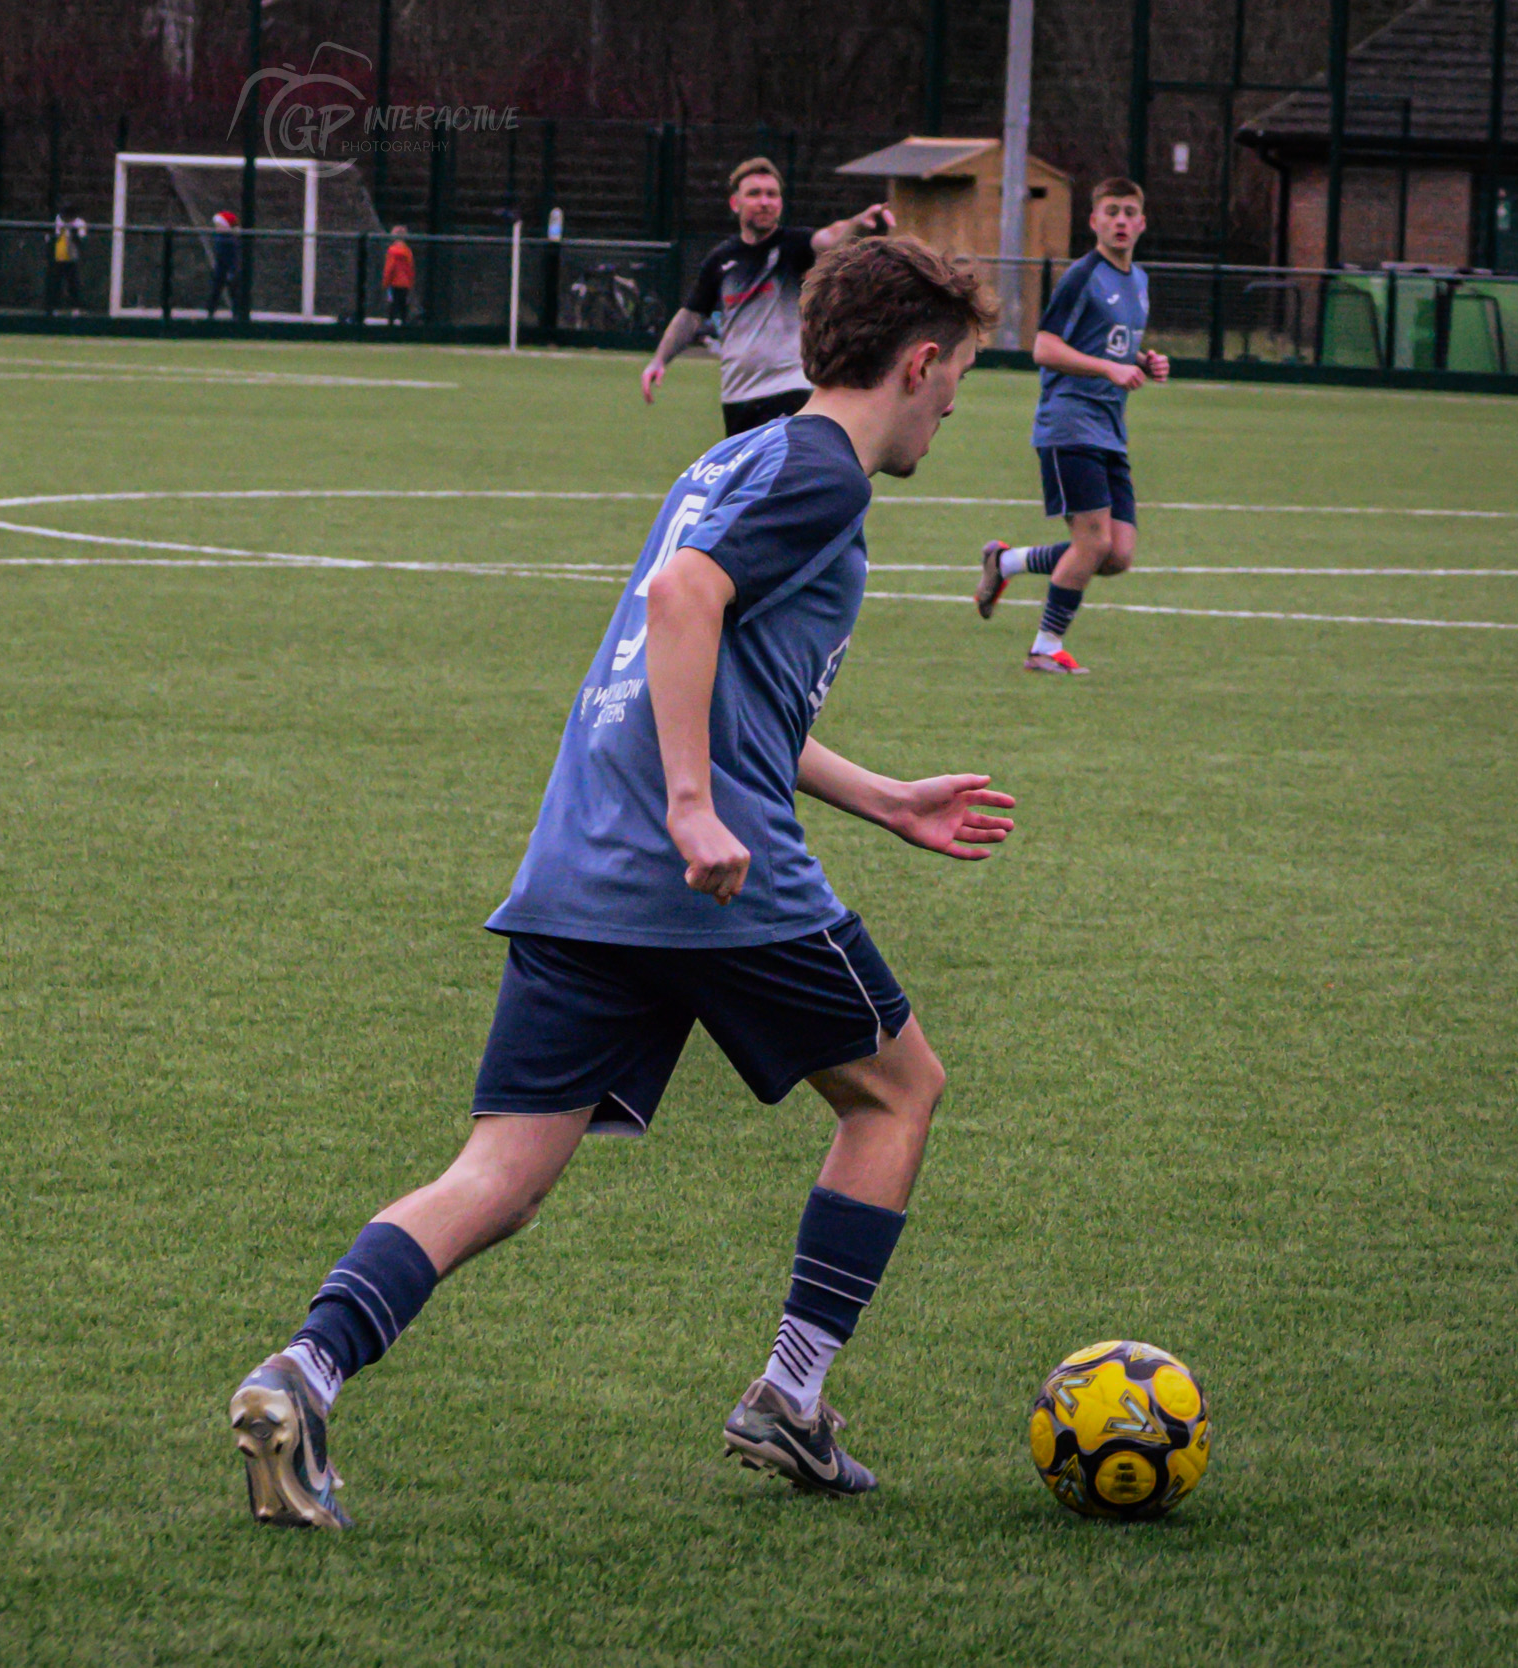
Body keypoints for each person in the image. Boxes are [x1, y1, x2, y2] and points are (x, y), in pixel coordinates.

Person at [229, 237, 1013, 1530]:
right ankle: (790, 1396)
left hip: (582, 863)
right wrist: (694, 805)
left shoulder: (729, 460)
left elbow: (705, 664)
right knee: (897, 1093)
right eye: (959, 382)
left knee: (501, 1174)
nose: (950, 410)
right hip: (710, 879)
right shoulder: (825, 473)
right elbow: (684, 598)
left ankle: (302, 1373)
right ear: (919, 363)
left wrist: (879, 796)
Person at [973, 177, 1169, 674]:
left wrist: (1143, 361)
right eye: (1111, 211)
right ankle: (1044, 648)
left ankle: (1007, 563)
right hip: (1069, 424)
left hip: (1110, 430)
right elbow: (1045, 347)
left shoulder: (1139, 281)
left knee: (1117, 554)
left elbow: (1109, 344)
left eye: (1129, 212)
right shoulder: (1083, 276)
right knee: (1094, 543)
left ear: (1142, 223)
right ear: (1094, 221)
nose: (1121, 220)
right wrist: (1109, 370)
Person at [642, 158, 897, 436]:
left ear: (780, 203)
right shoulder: (721, 260)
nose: (764, 202)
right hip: (738, 396)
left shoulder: (795, 247)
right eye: (754, 194)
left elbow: (832, 236)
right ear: (735, 203)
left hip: (790, 389)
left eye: (771, 194)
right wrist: (659, 360)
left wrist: (859, 223)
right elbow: (691, 315)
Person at [50, 206, 88, 313]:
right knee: (56, 283)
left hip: (72, 258)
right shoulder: (57, 220)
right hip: (58, 257)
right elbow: (53, 237)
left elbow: (81, 241)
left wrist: (74, 233)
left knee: (73, 283)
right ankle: (55, 308)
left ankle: (75, 308)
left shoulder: (79, 223)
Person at [205, 210, 241, 319]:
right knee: (218, 290)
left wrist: (232, 270)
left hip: (227, 268)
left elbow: (231, 256)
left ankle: (235, 312)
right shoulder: (222, 237)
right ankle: (212, 311)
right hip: (222, 268)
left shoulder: (228, 239)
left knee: (230, 291)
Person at [383, 226, 415, 326]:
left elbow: (389, 268)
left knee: (392, 306)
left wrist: (385, 282)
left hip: (393, 283)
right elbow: (410, 268)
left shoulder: (392, 251)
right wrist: (410, 283)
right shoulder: (408, 251)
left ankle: (390, 328)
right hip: (405, 283)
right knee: (403, 307)